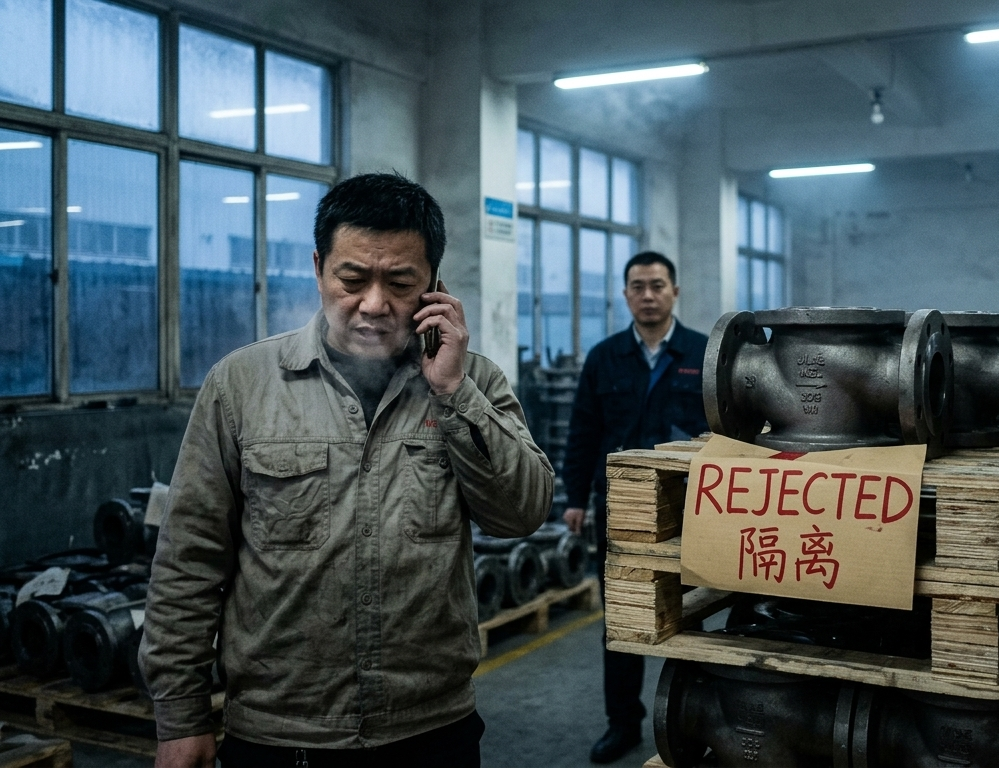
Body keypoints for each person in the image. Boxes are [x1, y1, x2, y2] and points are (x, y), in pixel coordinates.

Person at [142, 173, 554, 768]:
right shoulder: (242, 386)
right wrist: (180, 716)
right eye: (352, 279)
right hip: (282, 732)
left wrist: (453, 392)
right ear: (318, 267)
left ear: (435, 285)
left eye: (401, 282)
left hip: (430, 729)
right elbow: (189, 558)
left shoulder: (474, 382)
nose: (374, 304)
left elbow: (522, 512)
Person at [562, 251, 710, 763]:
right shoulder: (604, 357)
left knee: (693, 617)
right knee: (620, 621)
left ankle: (694, 720)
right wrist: (575, 499)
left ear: (675, 291)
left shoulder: (703, 352)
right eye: (637, 287)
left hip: (691, 512)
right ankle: (622, 723)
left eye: (657, 285)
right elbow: (583, 432)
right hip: (621, 514)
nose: (648, 295)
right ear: (625, 294)